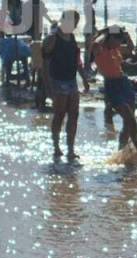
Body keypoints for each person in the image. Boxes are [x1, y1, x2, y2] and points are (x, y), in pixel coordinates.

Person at [90, 26, 137, 157]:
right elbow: (96, 42)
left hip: (124, 84)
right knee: (130, 119)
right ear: (110, 38)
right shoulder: (99, 49)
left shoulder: (116, 49)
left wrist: (127, 36)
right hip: (112, 86)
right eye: (117, 40)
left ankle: (122, 149)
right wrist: (108, 32)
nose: (120, 43)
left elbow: (131, 51)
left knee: (128, 122)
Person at [43, 11, 88, 159]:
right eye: (71, 22)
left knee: (74, 114)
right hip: (58, 81)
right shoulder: (53, 38)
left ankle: (70, 149)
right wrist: (48, 86)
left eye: (76, 22)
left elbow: (77, 59)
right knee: (59, 115)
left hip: (71, 80)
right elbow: (45, 62)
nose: (74, 25)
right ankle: (56, 146)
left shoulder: (72, 37)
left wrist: (84, 78)